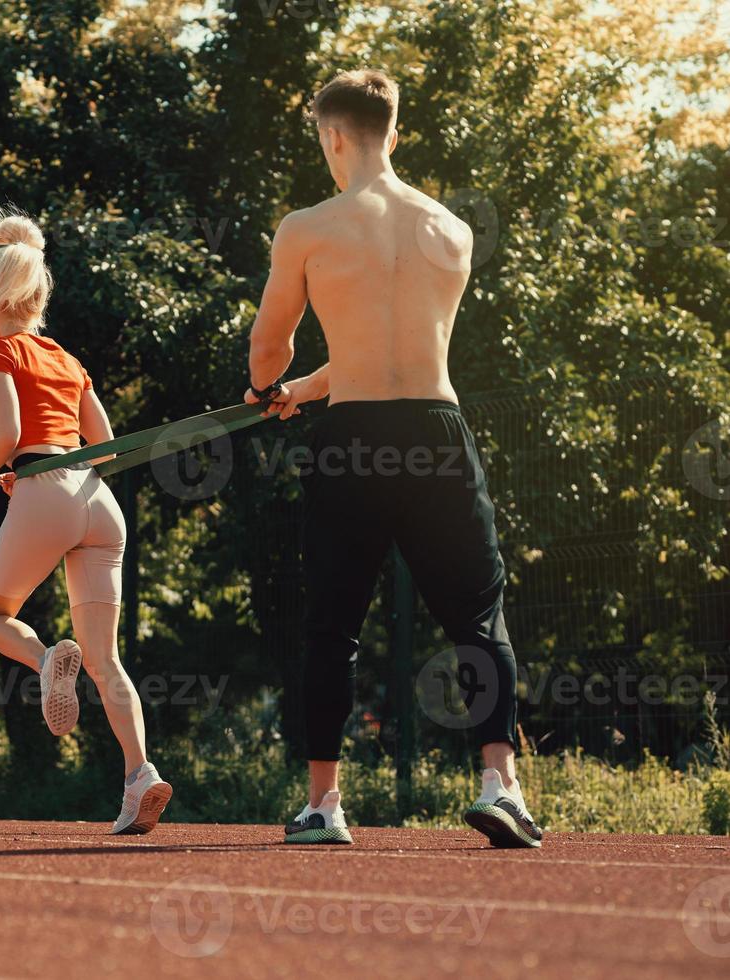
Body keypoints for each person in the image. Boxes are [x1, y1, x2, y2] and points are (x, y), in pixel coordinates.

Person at [244, 69, 542, 848]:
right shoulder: (451, 230)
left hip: (354, 443)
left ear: (332, 136)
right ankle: (500, 784)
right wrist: (307, 389)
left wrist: (270, 384)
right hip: (437, 432)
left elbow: (269, 346)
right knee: (478, 616)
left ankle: (324, 805)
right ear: (396, 132)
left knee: (333, 625)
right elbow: (394, 347)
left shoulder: (307, 227)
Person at [0, 204, 172, 835]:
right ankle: (141, 775)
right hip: (97, 500)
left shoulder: (0, 353)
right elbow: (106, 447)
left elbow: (10, 430)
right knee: (107, 661)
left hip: (44, 490)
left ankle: (50, 654)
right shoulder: (67, 359)